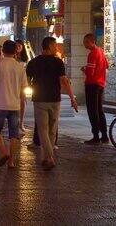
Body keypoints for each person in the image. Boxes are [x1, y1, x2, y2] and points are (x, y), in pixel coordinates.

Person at [26, 37, 78, 170]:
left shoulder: (33, 62)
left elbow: (26, 80)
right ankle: (50, 157)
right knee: (52, 130)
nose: (57, 48)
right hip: (55, 99)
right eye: (55, 45)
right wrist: (72, 98)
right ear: (49, 46)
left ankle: (46, 157)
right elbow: (64, 81)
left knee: (43, 130)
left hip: (39, 100)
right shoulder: (58, 62)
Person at [0, 40, 28, 169]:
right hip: (14, 105)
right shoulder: (20, 67)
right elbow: (23, 87)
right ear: (15, 51)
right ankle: (12, 161)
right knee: (14, 134)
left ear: (2, 51)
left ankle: (4, 152)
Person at [82, 33, 109, 144]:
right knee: (99, 110)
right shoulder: (101, 52)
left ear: (91, 41)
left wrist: (84, 69)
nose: (84, 44)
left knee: (92, 111)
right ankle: (104, 136)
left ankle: (96, 136)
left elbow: (90, 72)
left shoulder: (92, 54)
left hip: (92, 84)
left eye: (85, 42)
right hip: (101, 84)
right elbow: (106, 65)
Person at [15, 39, 29, 133]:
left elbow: (27, 71)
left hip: (22, 82)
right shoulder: (11, 57)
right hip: (13, 82)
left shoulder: (25, 59)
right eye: (16, 46)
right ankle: (14, 122)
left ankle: (21, 123)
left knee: (23, 102)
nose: (18, 48)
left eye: (19, 46)